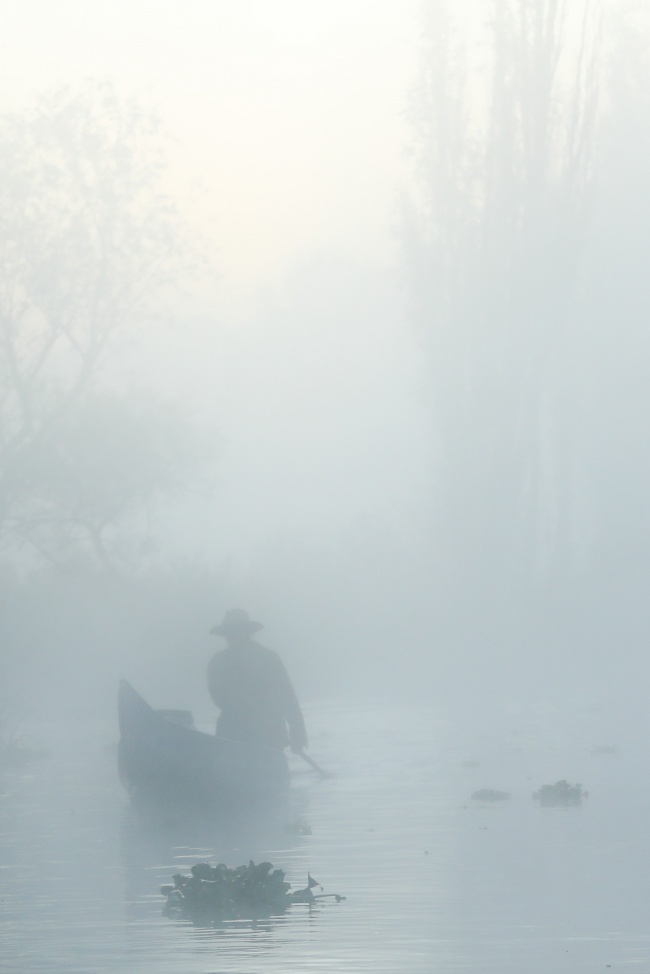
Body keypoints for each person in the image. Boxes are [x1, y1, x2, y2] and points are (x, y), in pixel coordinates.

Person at [206, 608, 308, 755]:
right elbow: (218, 697)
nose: (233, 635)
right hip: (233, 735)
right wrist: (246, 706)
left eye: (236, 630)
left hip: (268, 735)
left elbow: (287, 696)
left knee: (269, 774)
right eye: (230, 631)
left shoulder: (268, 658)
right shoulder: (218, 661)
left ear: (246, 631)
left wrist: (297, 734)